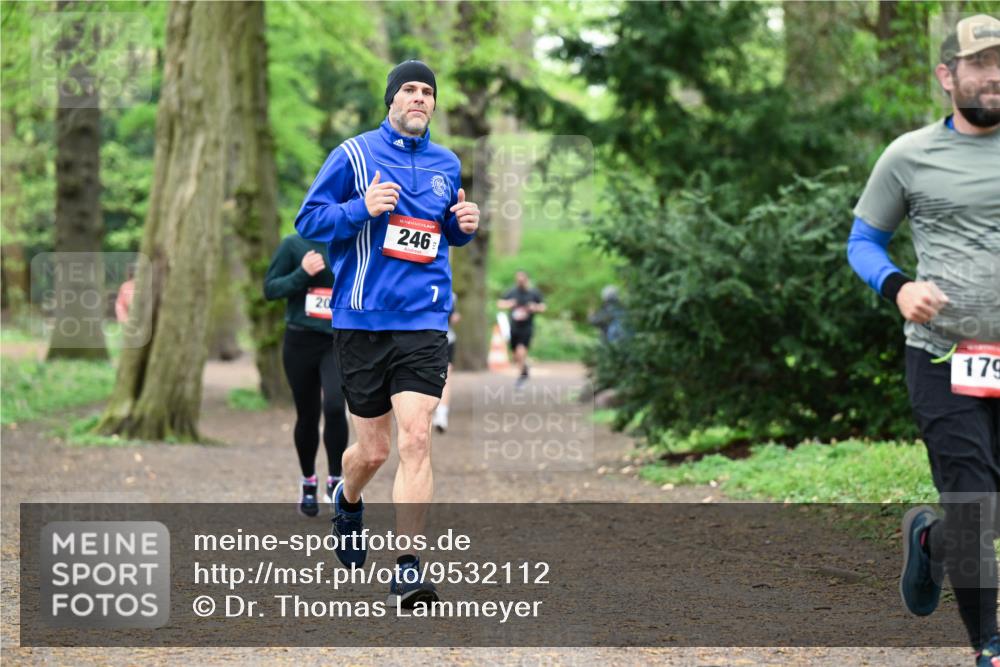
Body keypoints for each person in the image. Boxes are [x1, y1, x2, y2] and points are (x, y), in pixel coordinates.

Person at [294, 60, 479, 608]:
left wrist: (459, 226)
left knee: (417, 439)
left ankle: (408, 565)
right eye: (409, 90)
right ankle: (347, 498)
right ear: (391, 101)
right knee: (372, 452)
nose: (419, 98)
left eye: (427, 92)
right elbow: (309, 220)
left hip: (424, 320)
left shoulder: (448, 162)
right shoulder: (353, 155)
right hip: (362, 322)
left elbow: (439, 231)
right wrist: (360, 208)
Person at [846, 14, 1000, 666]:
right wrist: (898, 288)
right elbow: (863, 242)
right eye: (980, 64)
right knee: (973, 505)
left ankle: (932, 543)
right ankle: (990, 643)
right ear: (948, 76)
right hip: (942, 357)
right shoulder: (908, 155)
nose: (994, 76)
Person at [263, 234, 349, 518]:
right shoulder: (293, 244)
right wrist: (302, 273)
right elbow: (271, 289)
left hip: (337, 341)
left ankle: (335, 482)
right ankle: (308, 481)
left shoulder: (350, 240)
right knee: (308, 415)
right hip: (300, 342)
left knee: (335, 407)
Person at [497, 270, 545, 388]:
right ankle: (524, 370)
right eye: (518, 280)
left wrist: (534, 307)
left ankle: (522, 375)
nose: (520, 282)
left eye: (522, 280)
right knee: (516, 355)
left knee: (521, 350)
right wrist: (509, 304)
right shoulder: (512, 291)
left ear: (527, 279)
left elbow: (543, 307)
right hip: (514, 327)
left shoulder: (534, 293)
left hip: (527, 327)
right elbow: (500, 303)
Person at [433, 290, 459, 433]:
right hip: (444, 338)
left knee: (443, 377)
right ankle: (441, 414)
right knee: (445, 377)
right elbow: (452, 316)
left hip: (440, 339)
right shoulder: (451, 294)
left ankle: (440, 414)